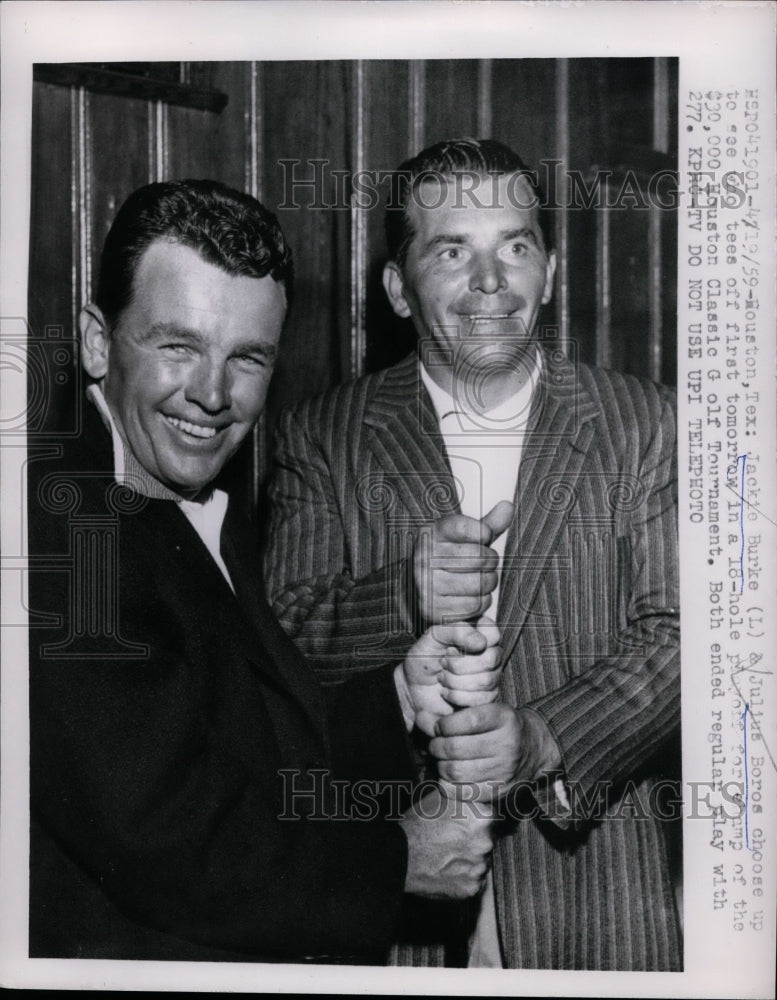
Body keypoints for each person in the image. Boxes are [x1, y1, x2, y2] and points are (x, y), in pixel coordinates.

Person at [27, 179, 506, 964]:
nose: (211, 396)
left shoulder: (175, 485)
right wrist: (398, 862)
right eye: (176, 345)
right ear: (93, 340)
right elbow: (170, 839)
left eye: (246, 358)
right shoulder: (61, 531)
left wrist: (392, 700)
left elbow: (240, 742)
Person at [264, 139, 682, 970]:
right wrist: (403, 594)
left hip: (595, 899)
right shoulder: (324, 434)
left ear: (551, 274)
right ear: (396, 287)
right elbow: (275, 646)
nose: (490, 282)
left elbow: (684, 635)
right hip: (393, 892)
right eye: (452, 250)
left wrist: (543, 738)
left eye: (515, 247)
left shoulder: (643, 422)